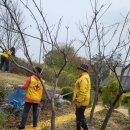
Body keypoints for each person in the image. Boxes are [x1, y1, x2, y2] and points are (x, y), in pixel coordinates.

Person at [72, 64, 91, 130]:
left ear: (82, 70)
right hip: (82, 100)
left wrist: (79, 101)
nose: (78, 70)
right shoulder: (84, 77)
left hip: (81, 101)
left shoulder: (83, 78)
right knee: (78, 115)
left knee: (80, 116)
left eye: (79, 69)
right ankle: (78, 128)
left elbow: (83, 92)